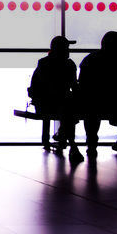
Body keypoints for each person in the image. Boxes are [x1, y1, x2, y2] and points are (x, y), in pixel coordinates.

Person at [28, 35, 83, 163]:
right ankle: (69, 141)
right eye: (67, 48)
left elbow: (36, 85)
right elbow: (74, 86)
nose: (68, 50)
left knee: (67, 108)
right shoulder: (69, 65)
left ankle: (66, 138)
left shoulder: (44, 63)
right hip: (54, 102)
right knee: (68, 109)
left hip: (46, 102)